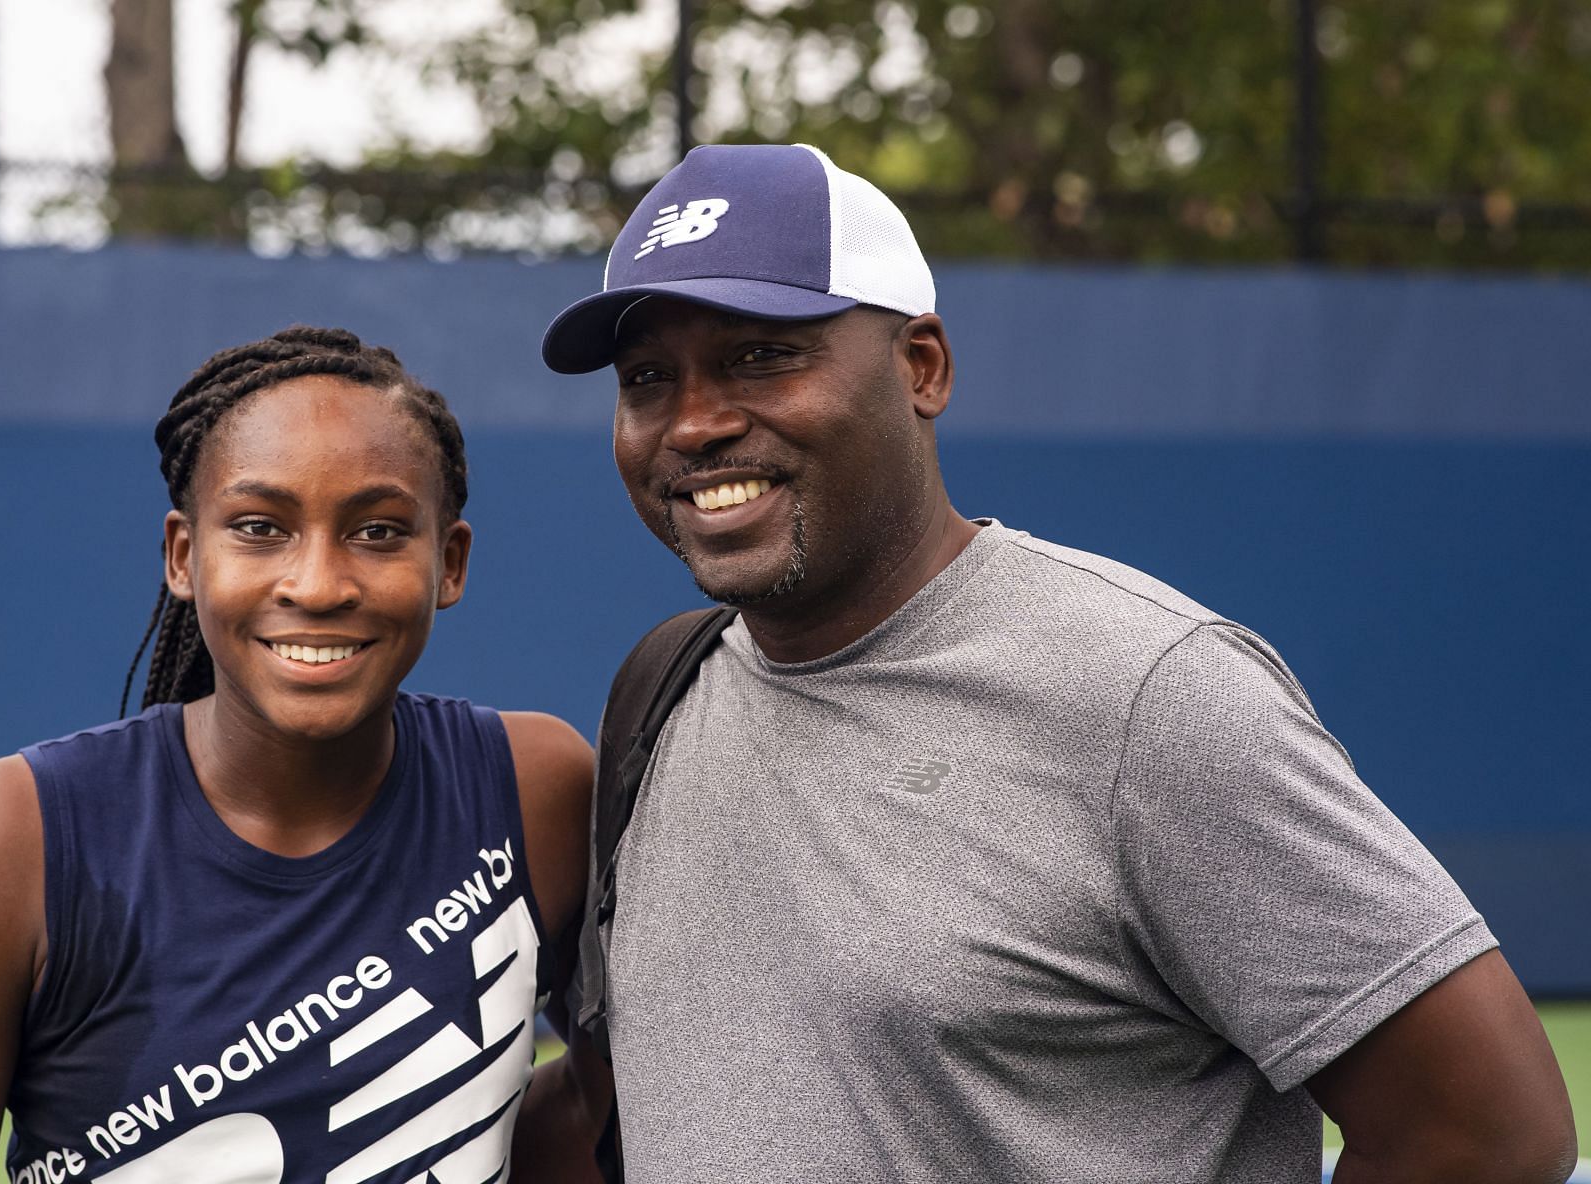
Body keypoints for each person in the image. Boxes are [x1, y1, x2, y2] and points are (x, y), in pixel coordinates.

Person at [538, 144, 1578, 1182]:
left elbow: (1491, 1134)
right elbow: (621, 1100)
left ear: (921, 367)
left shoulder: (1152, 693)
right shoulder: (660, 691)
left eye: (760, 356)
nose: (695, 422)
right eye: (646, 379)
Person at [0, 327, 602, 1184]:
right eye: (259, 527)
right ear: (183, 556)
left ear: (450, 563)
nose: (317, 584)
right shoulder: (8, 839)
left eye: (380, 531)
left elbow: (615, 1104)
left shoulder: (535, 790)